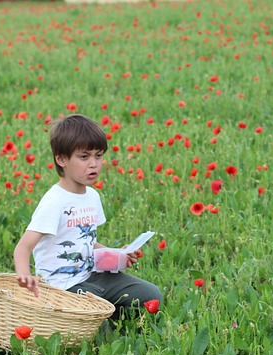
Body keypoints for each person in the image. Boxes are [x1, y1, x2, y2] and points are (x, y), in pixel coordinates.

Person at [13, 114, 162, 319]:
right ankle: (97, 318)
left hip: (92, 276)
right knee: (96, 318)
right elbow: (23, 247)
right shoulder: (54, 202)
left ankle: (105, 314)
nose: (94, 164)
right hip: (62, 289)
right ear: (61, 159)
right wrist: (24, 276)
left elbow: (87, 242)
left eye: (98, 156)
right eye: (84, 157)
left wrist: (118, 253)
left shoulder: (92, 196)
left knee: (151, 295)